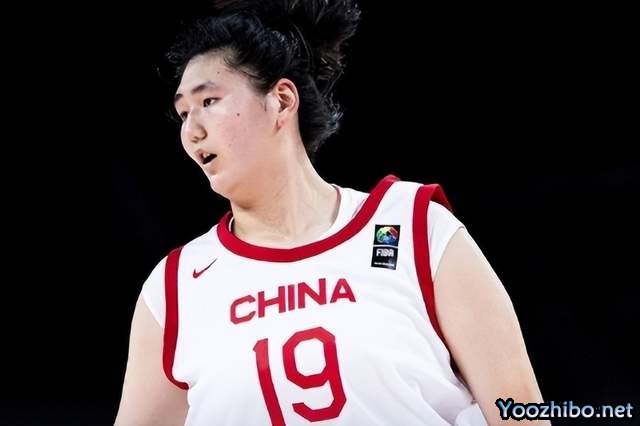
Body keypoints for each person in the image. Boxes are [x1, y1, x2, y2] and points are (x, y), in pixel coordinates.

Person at [115, 1, 548, 424]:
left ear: (282, 100)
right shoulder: (176, 286)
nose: (191, 130)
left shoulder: (413, 227)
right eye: (183, 113)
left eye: (208, 101)